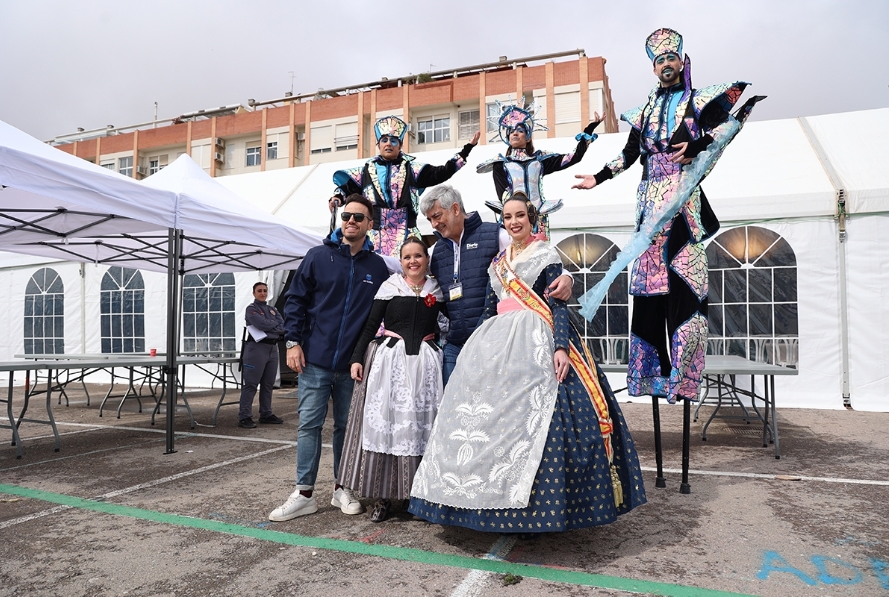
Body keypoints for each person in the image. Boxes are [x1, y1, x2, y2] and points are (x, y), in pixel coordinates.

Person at [408, 193, 646, 533]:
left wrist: (560, 347)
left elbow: (558, 304)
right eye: (508, 217)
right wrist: (474, 351)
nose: (514, 221)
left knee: (541, 417)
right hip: (497, 340)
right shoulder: (496, 262)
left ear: (531, 218)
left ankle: (539, 508)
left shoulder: (545, 253)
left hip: (537, 337)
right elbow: (489, 309)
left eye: (520, 215)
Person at [572, 27, 763, 405]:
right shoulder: (644, 111)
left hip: (682, 209)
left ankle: (683, 377)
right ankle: (651, 375)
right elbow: (628, 155)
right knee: (648, 295)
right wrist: (599, 176)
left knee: (687, 289)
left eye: (670, 58)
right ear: (653, 67)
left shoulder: (697, 101)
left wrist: (697, 144)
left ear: (680, 60)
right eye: (659, 60)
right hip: (648, 211)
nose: (665, 64)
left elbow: (727, 127)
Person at [269, 195, 390, 522]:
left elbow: (384, 312)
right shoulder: (318, 256)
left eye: (359, 217)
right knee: (309, 425)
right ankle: (304, 494)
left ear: (369, 224)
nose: (351, 221)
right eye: (347, 215)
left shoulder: (376, 267)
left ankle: (342, 488)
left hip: (352, 365)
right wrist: (292, 342)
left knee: (346, 429)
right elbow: (295, 300)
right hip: (314, 361)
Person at [419, 185, 573, 385]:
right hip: (455, 344)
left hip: (495, 342)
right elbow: (410, 269)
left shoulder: (495, 235)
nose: (434, 224)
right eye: (430, 219)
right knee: (453, 399)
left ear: (455, 209)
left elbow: (533, 255)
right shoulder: (435, 252)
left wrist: (567, 276)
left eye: (437, 216)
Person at [337, 237, 444, 522]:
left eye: (418, 256)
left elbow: (452, 323)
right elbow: (371, 325)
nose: (413, 261)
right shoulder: (390, 286)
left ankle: (416, 497)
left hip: (425, 366)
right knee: (389, 426)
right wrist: (357, 358)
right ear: (401, 261)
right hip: (392, 365)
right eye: (407, 257)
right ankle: (383, 497)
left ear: (426, 259)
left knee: (420, 429)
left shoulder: (436, 290)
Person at [330, 115, 480, 257]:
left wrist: (466, 150)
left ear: (400, 145)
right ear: (378, 144)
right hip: (374, 236)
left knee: (410, 266)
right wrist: (337, 198)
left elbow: (442, 172)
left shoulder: (413, 169)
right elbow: (348, 189)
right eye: (384, 140)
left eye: (393, 140)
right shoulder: (366, 171)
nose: (388, 143)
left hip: (407, 233)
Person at [476, 101, 603, 239]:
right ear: (507, 137)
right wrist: (518, 214)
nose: (515, 133)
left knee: (540, 251)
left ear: (528, 137)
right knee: (514, 251)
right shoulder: (500, 164)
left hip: (538, 217)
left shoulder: (539, 161)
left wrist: (589, 129)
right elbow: (503, 196)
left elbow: (573, 157)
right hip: (513, 220)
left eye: (520, 131)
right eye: (511, 131)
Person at [237, 282, 285, 429]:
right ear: (254, 293)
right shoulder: (251, 309)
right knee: (251, 384)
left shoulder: (272, 309)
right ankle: (244, 416)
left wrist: (269, 325)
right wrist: (273, 324)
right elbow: (261, 324)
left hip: (272, 349)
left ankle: (266, 413)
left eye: (265, 290)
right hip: (256, 349)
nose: (263, 293)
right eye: (259, 291)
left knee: (268, 384)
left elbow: (283, 326)